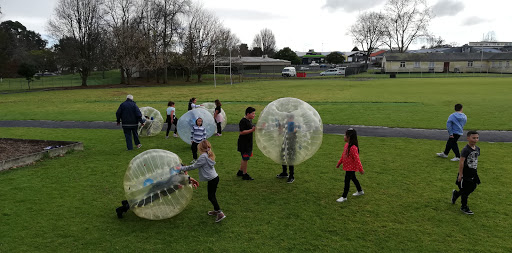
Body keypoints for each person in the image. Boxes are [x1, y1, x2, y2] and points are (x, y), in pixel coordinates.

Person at [178, 140, 226, 223]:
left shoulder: (203, 157)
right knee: (212, 195)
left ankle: (220, 213)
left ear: (200, 148)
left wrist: (181, 168)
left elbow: (193, 166)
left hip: (212, 179)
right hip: (214, 178)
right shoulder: (207, 154)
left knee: (211, 196)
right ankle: (216, 210)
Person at [115, 172, 199, 219]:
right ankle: (122, 209)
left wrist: (190, 181)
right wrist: (178, 186)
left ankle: (127, 202)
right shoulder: (178, 178)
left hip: (158, 189)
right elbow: (177, 182)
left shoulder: (178, 176)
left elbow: (185, 179)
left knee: (144, 199)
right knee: (143, 202)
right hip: (157, 191)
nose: (187, 174)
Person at [451, 131, 480, 215]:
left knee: (473, 186)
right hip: (465, 173)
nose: (475, 140)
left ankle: (456, 194)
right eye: (473, 138)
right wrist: (460, 174)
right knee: (465, 191)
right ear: (468, 138)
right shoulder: (465, 150)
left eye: (477, 138)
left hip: (473, 172)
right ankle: (464, 207)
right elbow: (461, 162)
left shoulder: (477, 149)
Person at [336, 128, 364, 203]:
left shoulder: (353, 148)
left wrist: (360, 169)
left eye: (345, 135)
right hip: (347, 167)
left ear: (349, 137)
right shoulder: (346, 145)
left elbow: (357, 159)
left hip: (351, 168)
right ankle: (360, 191)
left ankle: (344, 196)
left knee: (347, 181)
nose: (344, 136)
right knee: (354, 178)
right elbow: (343, 155)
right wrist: (339, 163)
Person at [276, 114, 298, 183]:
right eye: (288, 118)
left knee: (290, 158)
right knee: (282, 156)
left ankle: (292, 176)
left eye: (289, 118)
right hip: (285, 142)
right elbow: (280, 133)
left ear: (292, 118)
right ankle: (284, 172)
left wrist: (289, 127)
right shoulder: (285, 123)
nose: (288, 119)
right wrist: (280, 126)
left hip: (291, 144)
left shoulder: (294, 124)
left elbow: (293, 131)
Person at [237, 107, 256, 180]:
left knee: (245, 158)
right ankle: (245, 174)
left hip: (248, 143)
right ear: (248, 114)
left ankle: (240, 171)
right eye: (253, 113)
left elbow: (251, 129)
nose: (254, 115)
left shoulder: (249, 120)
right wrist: (251, 130)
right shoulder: (243, 121)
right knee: (245, 158)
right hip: (244, 144)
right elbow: (241, 132)